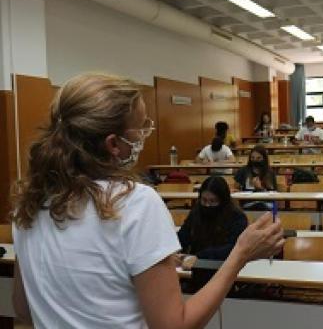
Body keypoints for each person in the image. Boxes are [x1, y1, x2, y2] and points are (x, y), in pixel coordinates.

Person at [11, 74, 283, 328]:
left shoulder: (31, 203)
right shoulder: (135, 203)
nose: (145, 134)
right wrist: (240, 254)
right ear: (113, 144)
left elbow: (23, 309)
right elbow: (174, 324)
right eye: (140, 127)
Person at [177, 176, 248, 265]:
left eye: (213, 201)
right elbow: (183, 235)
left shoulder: (237, 217)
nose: (207, 205)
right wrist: (174, 251)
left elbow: (233, 248)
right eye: (204, 200)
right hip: (194, 265)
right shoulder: (197, 211)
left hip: (223, 266)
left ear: (223, 200)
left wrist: (200, 257)